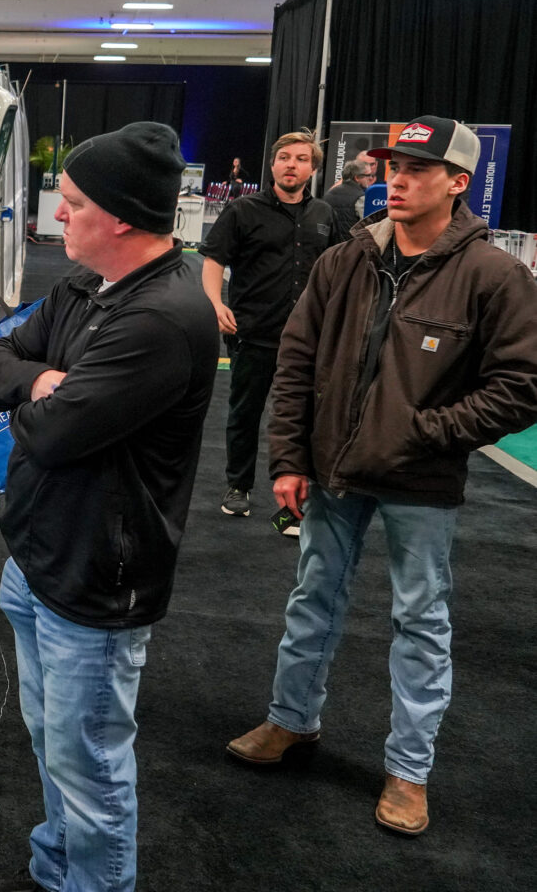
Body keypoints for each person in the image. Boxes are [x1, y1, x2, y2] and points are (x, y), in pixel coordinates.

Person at [226, 116, 537, 837]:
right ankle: (291, 723)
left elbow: (520, 383)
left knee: (421, 623)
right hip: (332, 470)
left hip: (421, 484)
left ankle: (408, 771)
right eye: (392, 167)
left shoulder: (494, 275)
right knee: (312, 600)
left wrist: (428, 434)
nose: (396, 180)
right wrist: (289, 458)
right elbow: (297, 359)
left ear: (458, 183)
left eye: (416, 170)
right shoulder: (347, 259)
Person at [0, 122, 217, 892]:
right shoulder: (81, 287)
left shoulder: (163, 317)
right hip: (40, 557)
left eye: (72, 203)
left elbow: (51, 435)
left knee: (90, 766)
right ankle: (55, 875)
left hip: (97, 581)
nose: (57, 215)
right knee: (54, 747)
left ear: (125, 217)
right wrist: (40, 379)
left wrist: (34, 393)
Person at [199, 130, 336, 521]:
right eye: (284, 157)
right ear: (273, 164)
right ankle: (238, 486)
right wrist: (214, 303)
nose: (291, 164)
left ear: (312, 168)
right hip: (253, 332)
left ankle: (297, 498)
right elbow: (213, 260)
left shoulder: (324, 215)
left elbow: (339, 271)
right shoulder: (243, 211)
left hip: (310, 337)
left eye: (301, 159)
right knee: (245, 413)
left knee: (304, 418)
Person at [324, 156, 377, 240]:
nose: (371, 178)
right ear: (357, 178)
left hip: (331, 248)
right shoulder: (361, 197)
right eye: (368, 175)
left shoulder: (329, 194)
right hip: (350, 247)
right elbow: (369, 227)